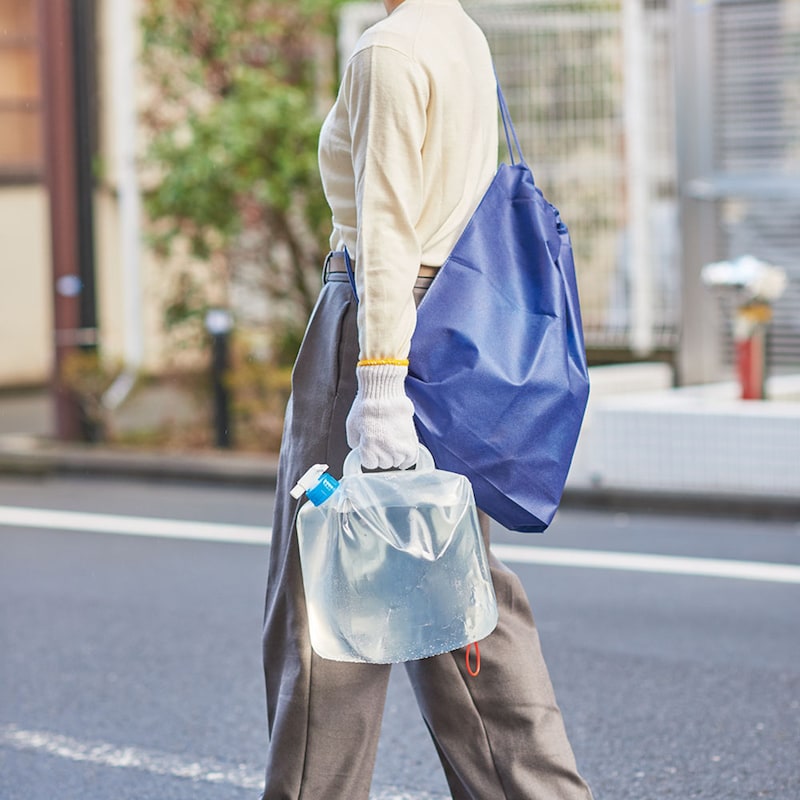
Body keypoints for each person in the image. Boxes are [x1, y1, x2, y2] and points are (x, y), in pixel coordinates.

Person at [260, 0, 595, 797]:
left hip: (380, 329)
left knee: (330, 588)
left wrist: (379, 389)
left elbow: (385, 230)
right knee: (457, 588)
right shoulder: (459, 32)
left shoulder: (389, 51)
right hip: (453, 330)